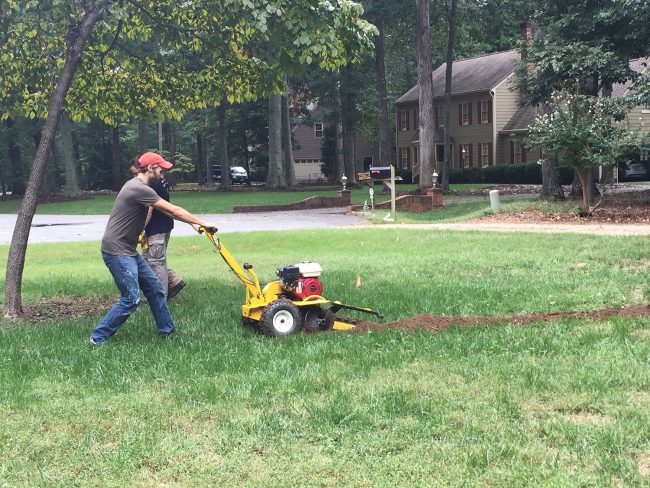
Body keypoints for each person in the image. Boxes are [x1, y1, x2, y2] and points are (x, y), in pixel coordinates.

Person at [88, 152, 216, 347]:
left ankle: (168, 332)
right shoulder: (138, 188)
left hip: (127, 250)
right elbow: (173, 210)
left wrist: (193, 224)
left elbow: (166, 210)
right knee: (131, 298)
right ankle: (97, 338)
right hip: (117, 252)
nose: (163, 172)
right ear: (150, 168)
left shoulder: (139, 186)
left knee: (155, 289)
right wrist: (203, 222)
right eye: (160, 168)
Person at [129, 158, 185, 299]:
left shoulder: (151, 185)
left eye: (135, 173)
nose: (134, 177)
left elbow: (150, 210)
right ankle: (173, 280)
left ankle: (161, 298)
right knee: (147, 260)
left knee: (156, 263)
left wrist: (140, 229)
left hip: (157, 229)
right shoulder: (153, 182)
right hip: (159, 227)